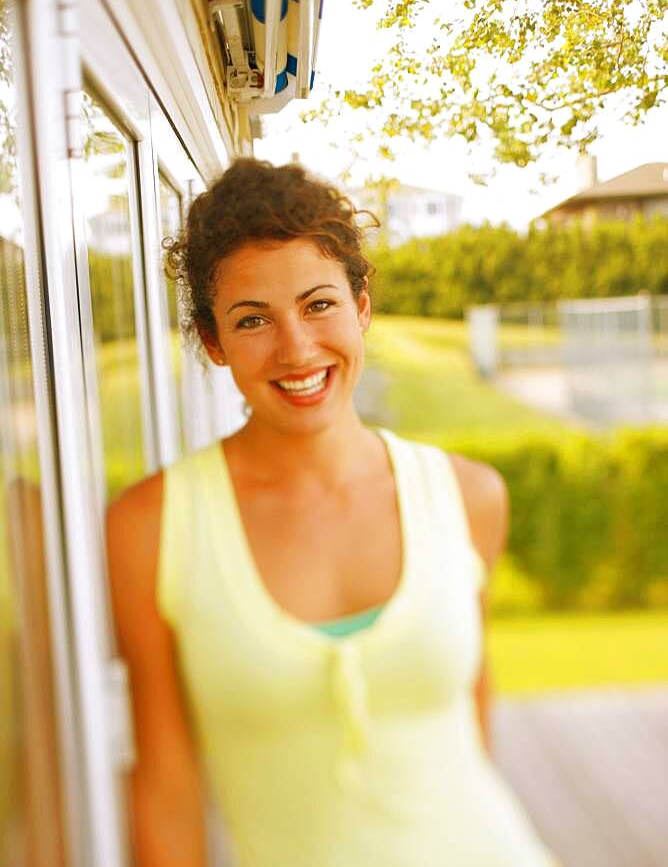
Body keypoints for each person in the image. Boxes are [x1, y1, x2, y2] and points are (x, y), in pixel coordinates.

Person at [106, 158, 559, 867]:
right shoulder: (152, 526)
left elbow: (466, 721)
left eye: (319, 304)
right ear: (213, 342)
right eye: (253, 319)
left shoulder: (468, 497)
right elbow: (166, 784)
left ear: (362, 307)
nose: (297, 350)